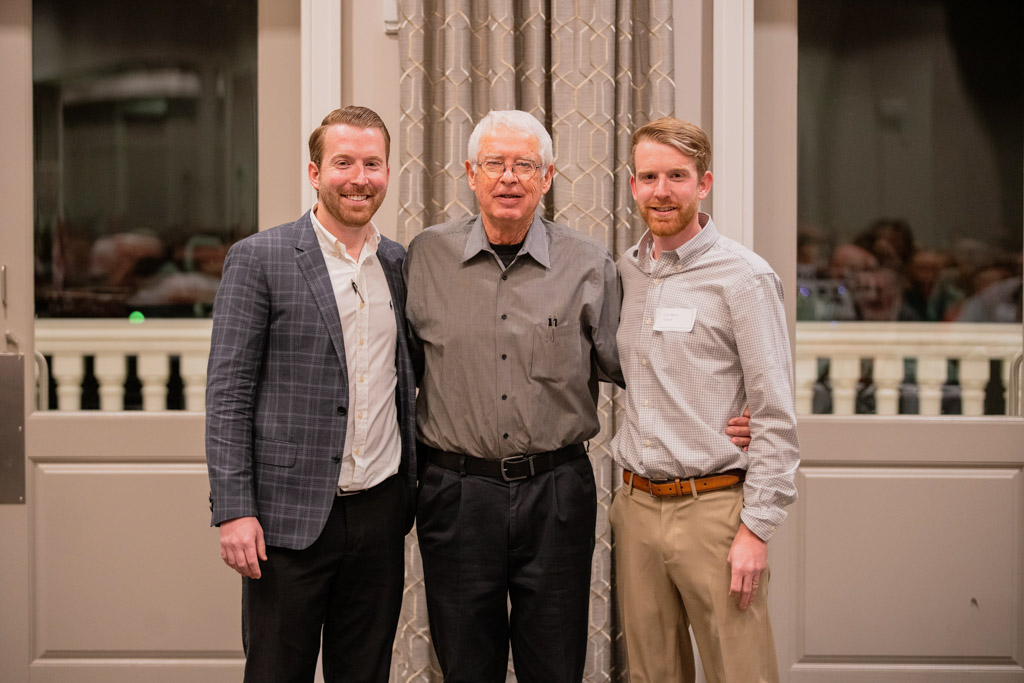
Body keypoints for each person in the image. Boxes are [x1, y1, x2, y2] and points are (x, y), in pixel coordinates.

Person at [404, 110, 752, 683]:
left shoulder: (591, 265)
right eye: (495, 163)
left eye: (526, 165)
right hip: (457, 495)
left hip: (557, 494)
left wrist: (734, 415)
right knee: (465, 664)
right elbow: (396, 372)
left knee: (557, 663)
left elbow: (644, 367)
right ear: (470, 173)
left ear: (548, 177)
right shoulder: (424, 258)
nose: (509, 177)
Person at [205, 106, 416, 683]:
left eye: (372, 163)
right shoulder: (260, 258)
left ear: (387, 172)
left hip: (379, 508)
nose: (359, 177)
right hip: (286, 519)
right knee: (277, 671)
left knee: (365, 671)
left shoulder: (398, 262)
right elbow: (228, 394)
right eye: (343, 162)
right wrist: (235, 510)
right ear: (314, 171)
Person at [610, 117, 799, 683]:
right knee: (651, 676)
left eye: (677, 176)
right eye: (648, 176)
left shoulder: (743, 277)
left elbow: (774, 415)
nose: (661, 190)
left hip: (716, 513)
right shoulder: (625, 271)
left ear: (704, 182)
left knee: (738, 673)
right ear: (633, 183)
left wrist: (756, 530)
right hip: (638, 508)